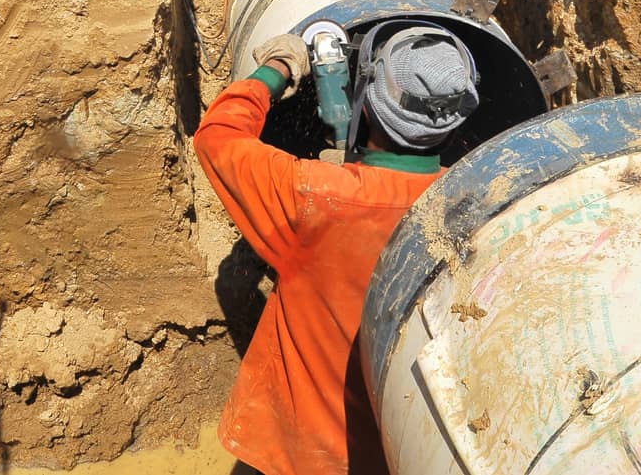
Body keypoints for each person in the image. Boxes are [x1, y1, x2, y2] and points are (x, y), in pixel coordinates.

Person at [193, 23, 480, 475]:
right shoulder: (478, 208)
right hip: (404, 456)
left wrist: (279, 68)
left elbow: (218, 135)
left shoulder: (313, 196)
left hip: (293, 451)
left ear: (365, 103)